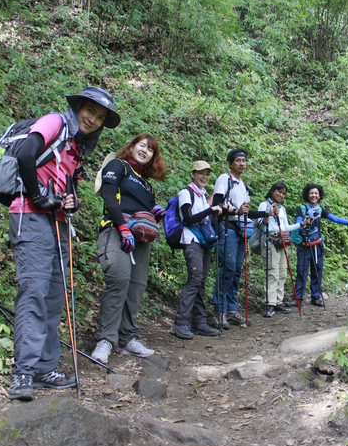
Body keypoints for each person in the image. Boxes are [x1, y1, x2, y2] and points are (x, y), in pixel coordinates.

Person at [8, 86, 120, 401]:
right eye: (90, 111)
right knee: (34, 291)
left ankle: (44, 368)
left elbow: (64, 184)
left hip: (57, 224)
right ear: (78, 107)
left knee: (55, 296)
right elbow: (27, 154)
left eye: (99, 118)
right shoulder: (54, 123)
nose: (93, 119)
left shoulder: (75, 147)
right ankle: (23, 373)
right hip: (30, 218)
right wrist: (39, 195)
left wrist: (67, 201)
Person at [90, 134, 167, 364]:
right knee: (119, 279)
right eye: (141, 146)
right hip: (116, 229)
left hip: (141, 237)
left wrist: (156, 213)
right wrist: (122, 226)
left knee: (136, 286)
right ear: (132, 147)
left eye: (150, 149)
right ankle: (106, 339)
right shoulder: (118, 165)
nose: (145, 151)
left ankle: (127, 338)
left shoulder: (145, 184)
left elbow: (145, 209)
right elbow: (110, 196)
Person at [210, 149, 277, 329]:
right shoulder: (225, 179)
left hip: (241, 231)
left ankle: (231, 309)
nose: (241, 164)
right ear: (230, 163)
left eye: (244, 161)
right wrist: (235, 211)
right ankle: (219, 311)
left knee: (237, 270)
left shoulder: (242, 184)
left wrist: (266, 213)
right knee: (227, 268)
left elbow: (246, 212)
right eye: (238, 161)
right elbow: (217, 205)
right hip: (228, 228)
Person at [170, 161, 227, 339]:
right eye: (201, 173)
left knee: (201, 281)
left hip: (203, 241)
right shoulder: (186, 193)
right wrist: (210, 209)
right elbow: (187, 219)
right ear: (192, 174)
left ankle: (199, 322)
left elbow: (205, 219)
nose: (205, 176)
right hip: (191, 239)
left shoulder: (201, 195)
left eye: (207, 173)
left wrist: (219, 211)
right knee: (195, 279)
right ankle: (180, 323)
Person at [294, 183, 348, 307]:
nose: (313, 195)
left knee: (317, 271)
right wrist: (302, 224)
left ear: (319, 196)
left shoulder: (320, 210)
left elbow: (334, 218)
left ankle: (316, 296)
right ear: (307, 195)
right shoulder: (302, 209)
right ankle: (298, 298)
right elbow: (298, 223)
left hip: (317, 244)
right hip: (304, 244)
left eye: (316, 193)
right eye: (311, 193)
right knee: (301, 271)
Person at [256, 182, 310, 317]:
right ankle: (270, 303)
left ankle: (278, 302)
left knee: (282, 272)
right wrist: (267, 216)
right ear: (272, 191)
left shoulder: (282, 209)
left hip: (282, 241)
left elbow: (285, 227)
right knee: (272, 272)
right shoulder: (264, 205)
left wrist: (300, 224)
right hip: (270, 240)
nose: (281, 195)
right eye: (279, 191)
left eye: (283, 193)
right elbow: (259, 224)